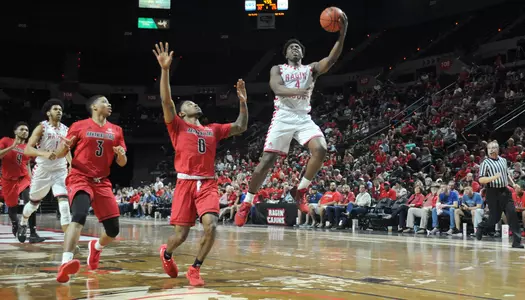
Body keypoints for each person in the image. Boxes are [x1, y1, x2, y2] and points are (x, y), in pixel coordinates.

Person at [235, 12, 348, 227]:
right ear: (286, 53)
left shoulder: (310, 69)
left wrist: (342, 34)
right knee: (266, 163)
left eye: (298, 47)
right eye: (291, 47)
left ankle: (301, 190)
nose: (295, 49)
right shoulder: (278, 69)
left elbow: (332, 59)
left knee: (321, 149)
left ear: (302, 54)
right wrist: (299, 90)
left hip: (302, 117)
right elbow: (276, 88)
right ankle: (247, 202)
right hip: (283, 117)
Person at [153, 42, 248, 286]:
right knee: (180, 235)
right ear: (182, 113)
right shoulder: (177, 125)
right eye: (188, 104)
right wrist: (165, 70)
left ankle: (195, 268)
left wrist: (243, 103)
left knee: (211, 225)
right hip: (185, 183)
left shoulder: (212, 129)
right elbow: (166, 101)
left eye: (194, 104)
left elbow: (241, 126)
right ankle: (167, 252)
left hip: (207, 183)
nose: (193, 105)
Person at [54, 95, 128, 283]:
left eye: (109, 102)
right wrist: (65, 146)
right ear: (94, 107)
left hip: (102, 181)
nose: (108, 104)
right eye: (104, 101)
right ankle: (65, 262)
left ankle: (96, 247)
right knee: (79, 215)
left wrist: (120, 155)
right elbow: (62, 153)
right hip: (80, 176)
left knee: (113, 230)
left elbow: (122, 163)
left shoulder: (116, 130)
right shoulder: (79, 125)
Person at [18, 99, 72, 243]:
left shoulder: (66, 129)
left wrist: (72, 164)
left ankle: (69, 240)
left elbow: (67, 150)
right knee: (33, 205)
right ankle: (23, 222)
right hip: (43, 170)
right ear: (48, 113)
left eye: (60, 109)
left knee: (64, 203)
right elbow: (28, 149)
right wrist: (44, 153)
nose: (59, 111)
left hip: (60, 169)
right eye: (55, 109)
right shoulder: (41, 127)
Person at [0, 122, 45, 243]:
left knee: (31, 200)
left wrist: (32, 179)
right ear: (15, 131)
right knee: (12, 208)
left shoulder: (28, 148)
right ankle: (16, 224)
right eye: (22, 129)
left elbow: (27, 164)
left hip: (24, 178)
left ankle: (33, 232)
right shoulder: (6, 141)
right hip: (8, 180)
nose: (25, 131)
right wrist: (12, 147)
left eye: (27, 130)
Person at [476, 141, 523, 248]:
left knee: (512, 214)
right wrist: (493, 177)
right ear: (487, 150)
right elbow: (481, 180)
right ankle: (481, 227)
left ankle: (517, 242)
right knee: (494, 219)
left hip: (505, 191)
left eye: (494, 148)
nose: (492, 150)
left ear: (498, 149)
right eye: (490, 148)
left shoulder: (503, 160)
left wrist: (514, 184)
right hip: (492, 192)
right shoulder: (485, 163)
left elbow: (506, 175)